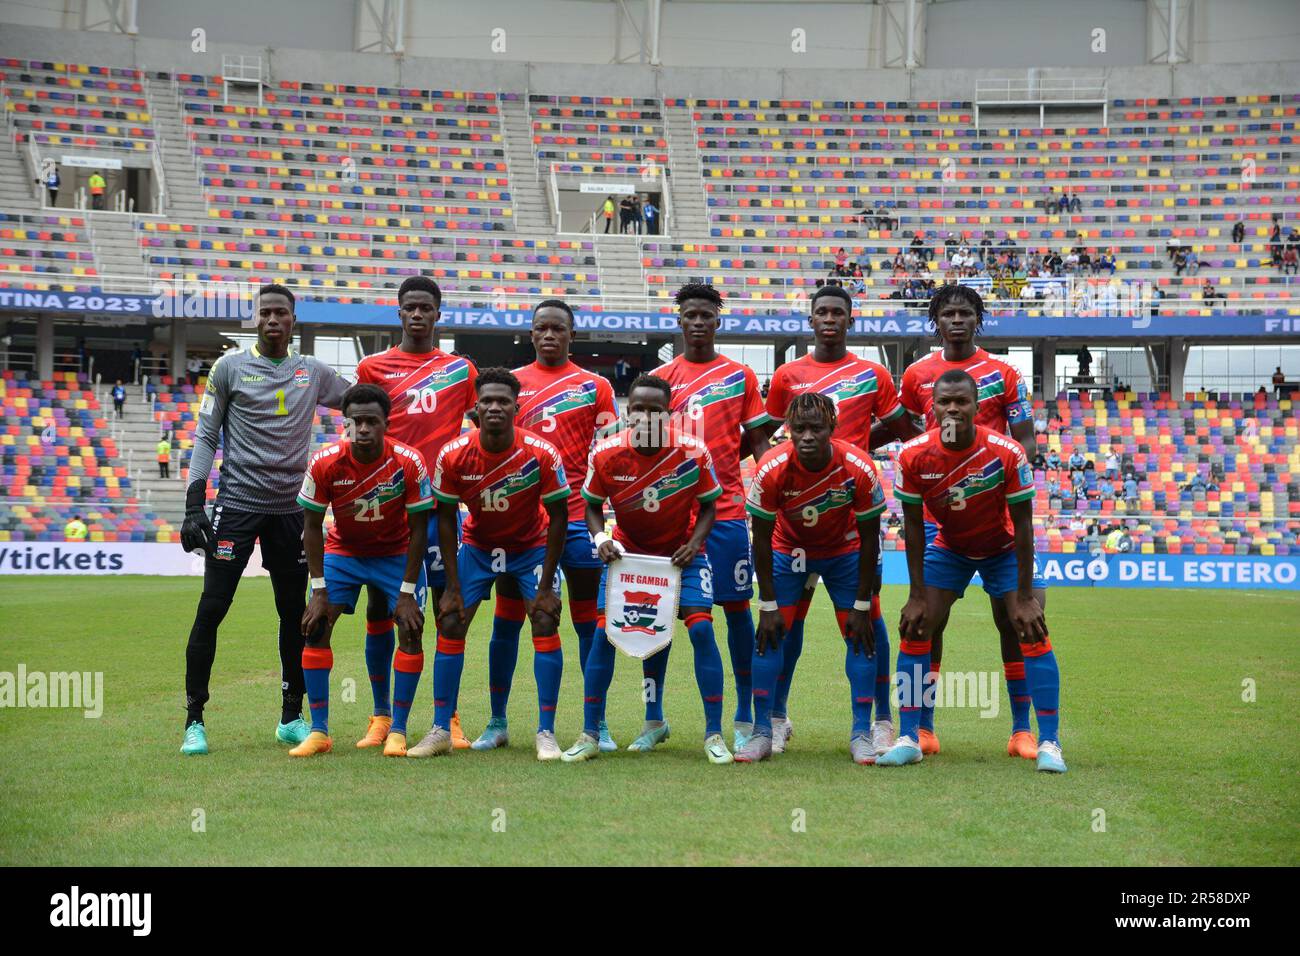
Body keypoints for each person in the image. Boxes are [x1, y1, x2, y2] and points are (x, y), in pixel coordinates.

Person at [178, 283, 350, 756]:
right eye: (266, 313)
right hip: (235, 507)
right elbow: (205, 436)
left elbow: (361, 403)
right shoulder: (229, 367)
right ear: (256, 319)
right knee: (212, 609)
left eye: (282, 314)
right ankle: (194, 720)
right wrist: (195, 502)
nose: (273, 320)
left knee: (294, 614)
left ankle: (291, 717)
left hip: (292, 512)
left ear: (294, 321)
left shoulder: (311, 372)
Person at [880, 369, 1065, 773]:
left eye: (961, 401)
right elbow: (913, 527)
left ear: (978, 407)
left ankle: (1040, 739)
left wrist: (1024, 594)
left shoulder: (1006, 452)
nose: (952, 409)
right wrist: (915, 594)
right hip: (952, 547)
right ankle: (913, 735)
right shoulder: (913, 455)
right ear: (932, 407)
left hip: (1004, 549)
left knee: (1030, 626)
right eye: (944, 401)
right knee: (916, 624)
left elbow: (1024, 525)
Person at [885, 283, 1042, 753]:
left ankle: (1021, 730)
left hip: (996, 514)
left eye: (966, 312)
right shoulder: (916, 373)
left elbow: (1027, 439)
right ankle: (923, 730)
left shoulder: (1004, 372)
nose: (957, 319)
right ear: (936, 321)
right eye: (948, 313)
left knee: (1012, 620)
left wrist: (995, 478)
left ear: (979, 319)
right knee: (927, 622)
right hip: (940, 519)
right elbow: (908, 426)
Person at [763, 285, 918, 755]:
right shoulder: (788, 374)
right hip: (795, 523)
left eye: (838, 313)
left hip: (853, 517)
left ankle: (882, 721)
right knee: (788, 623)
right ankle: (776, 718)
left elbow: (902, 428)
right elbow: (771, 434)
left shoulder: (873, 374)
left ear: (850, 320)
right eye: (821, 312)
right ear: (810, 320)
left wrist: (857, 451)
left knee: (867, 616)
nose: (829, 319)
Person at [562, 374, 733, 764]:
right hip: (629, 557)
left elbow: (710, 506)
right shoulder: (606, 453)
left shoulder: (692, 451)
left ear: (669, 415)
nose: (644, 417)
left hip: (680, 556)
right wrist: (600, 538)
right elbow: (591, 504)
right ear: (627, 411)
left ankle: (714, 735)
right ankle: (591, 733)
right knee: (605, 634)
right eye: (637, 409)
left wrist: (694, 545)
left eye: (654, 411)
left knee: (702, 629)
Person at [406, 368, 569, 760]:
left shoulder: (541, 453)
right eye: (487, 401)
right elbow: (445, 516)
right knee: (450, 619)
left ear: (516, 406)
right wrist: (453, 586)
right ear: (475, 408)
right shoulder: (454, 453)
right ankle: (441, 728)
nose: (495, 407)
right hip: (478, 547)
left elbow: (559, 516)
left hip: (529, 547)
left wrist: (546, 585)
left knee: (544, 619)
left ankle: (546, 732)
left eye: (503, 401)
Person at [483, 300, 619, 752]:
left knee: (588, 624)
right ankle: (498, 722)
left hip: (579, 519)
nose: (549, 335)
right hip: (523, 524)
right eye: (541, 327)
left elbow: (608, 455)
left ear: (571, 335)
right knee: (509, 621)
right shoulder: (511, 386)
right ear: (531, 332)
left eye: (558, 328)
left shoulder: (595, 386)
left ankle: (594, 724)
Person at [355, 275, 479, 749]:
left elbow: (477, 431)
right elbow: (361, 427)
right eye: (410, 307)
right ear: (398, 312)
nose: (417, 315)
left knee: (451, 609)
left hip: (442, 509)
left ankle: (447, 718)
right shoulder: (372, 367)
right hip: (387, 508)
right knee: (380, 609)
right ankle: (381, 716)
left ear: (438, 313)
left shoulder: (460, 370)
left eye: (426, 307)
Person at [654, 283, 772, 750]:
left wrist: (768, 490)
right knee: (658, 613)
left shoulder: (740, 376)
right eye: (690, 315)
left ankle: (744, 712)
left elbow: (759, 443)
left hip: (724, 515)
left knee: (737, 610)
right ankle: (652, 716)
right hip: (668, 518)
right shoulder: (662, 378)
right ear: (679, 321)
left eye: (706, 315)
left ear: (717, 321)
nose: (698, 322)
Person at [740, 392, 886, 764]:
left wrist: (862, 603)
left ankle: (861, 732)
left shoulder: (859, 466)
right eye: (799, 428)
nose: (806, 436)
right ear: (787, 429)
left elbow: (871, 539)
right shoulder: (771, 467)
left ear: (832, 429)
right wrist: (767, 604)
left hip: (845, 552)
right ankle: (761, 731)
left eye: (815, 428)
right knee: (770, 636)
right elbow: (760, 537)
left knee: (860, 635)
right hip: (789, 551)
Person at [292, 383, 433, 757]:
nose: (364, 429)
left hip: (396, 553)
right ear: (346, 423)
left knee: (410, 627)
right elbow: (310, 525)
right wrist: (319, 590)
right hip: (345, 552)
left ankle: (396, 728)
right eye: (357, 422)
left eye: (372, 421)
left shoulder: (409, 461)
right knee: (316, 625)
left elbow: (420, 529)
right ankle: (319, 732)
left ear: (387, 423)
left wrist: (406, 593)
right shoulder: (324, 462)